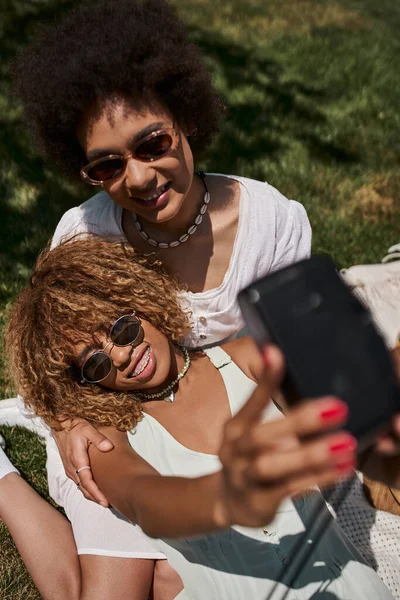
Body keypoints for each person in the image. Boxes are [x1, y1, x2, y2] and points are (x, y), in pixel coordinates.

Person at [10, 0, 311, 590]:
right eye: (108, 165)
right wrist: (71, 420)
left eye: (152, 144)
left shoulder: (271, 222)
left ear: (186, 116)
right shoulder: (84, 232)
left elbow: (293, 355)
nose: (140, 177)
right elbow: (54, 354)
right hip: (113, 421)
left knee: (180, 582)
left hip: (215, 426)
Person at [3, 236, 400, 600]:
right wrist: (225, 497)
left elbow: (335, 397)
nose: (120, 355)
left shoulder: (245, 360)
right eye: (95, 363)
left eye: (121, 328)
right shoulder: (111, 434)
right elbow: (144, 501)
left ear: (139, 298)